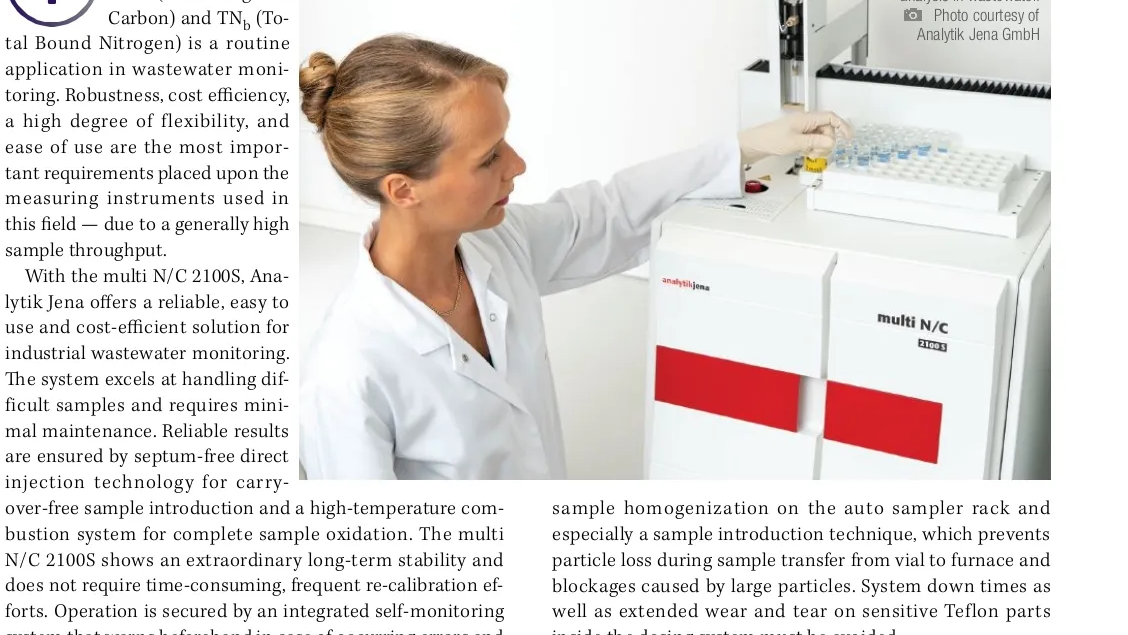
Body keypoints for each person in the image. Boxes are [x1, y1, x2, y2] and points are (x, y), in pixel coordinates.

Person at [299, 35, 847, 480]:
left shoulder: (495, 247)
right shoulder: (346, 375)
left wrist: (750, 145)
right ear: (403, 190)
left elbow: (609, 213)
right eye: (489, 158)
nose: (517, 165)